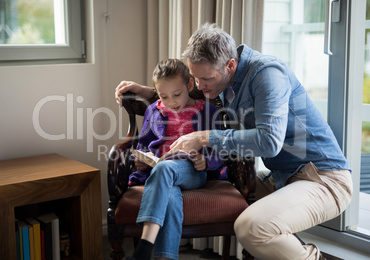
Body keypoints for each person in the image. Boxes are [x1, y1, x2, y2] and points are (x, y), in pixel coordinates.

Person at [116, 23, 353, 260]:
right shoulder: (222, 80)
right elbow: (188, 94)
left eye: (205, 79)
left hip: (323, 177)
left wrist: (203, 137)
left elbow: (269, 142)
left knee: (250, 228)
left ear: (230, 65)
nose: (200, 86)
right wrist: (149, 93)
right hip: (281, 177)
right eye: (196, 78)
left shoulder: (268, 73)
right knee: (203, 182)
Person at [125, 59, 226, 260]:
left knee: (165, 169)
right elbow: (143, 144)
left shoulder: (208, 112)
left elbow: (221, 150)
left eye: (177, 94)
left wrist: (205, 162)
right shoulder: (153, 110)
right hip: (160, 170)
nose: (171, 102)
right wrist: (142, 160)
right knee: (170, 194)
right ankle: (165, 257)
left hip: (192, 171)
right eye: (164, 96)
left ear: (189, 85)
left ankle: (144, 248)